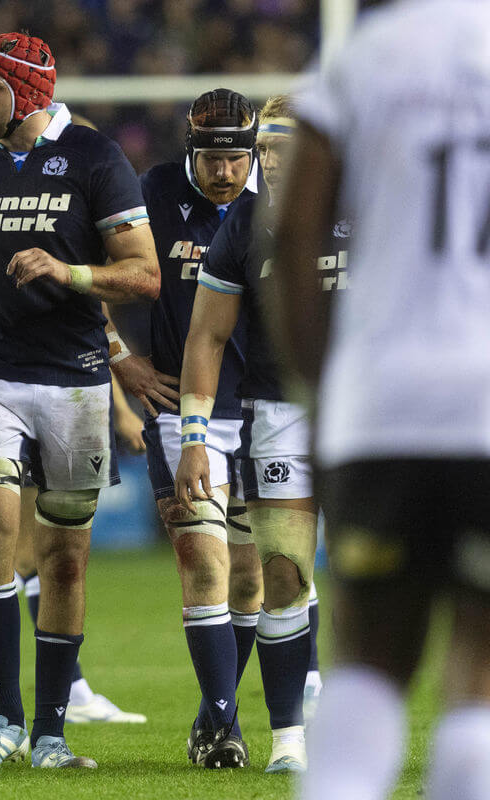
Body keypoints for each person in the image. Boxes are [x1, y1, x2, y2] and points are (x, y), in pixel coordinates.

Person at [0, 32, 159, 770]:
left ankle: (52, 734)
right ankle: (4, 723)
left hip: (76, 376)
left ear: (28, 92)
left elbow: (144, 275)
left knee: (64, 561)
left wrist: (70, 272)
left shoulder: (94, 158)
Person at [271, 4, 490, 798]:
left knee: (368, 663)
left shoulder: (362, 59)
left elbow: (297, 234)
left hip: (384, 406)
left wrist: (321, 390)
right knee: (482, 668)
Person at [174, 94, 349, 773]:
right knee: (285, 569)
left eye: (286, 148)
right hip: (281, 413)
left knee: (385, 571)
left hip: (366, 413)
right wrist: (194, 432)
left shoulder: (371, 209)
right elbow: (207, 334)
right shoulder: (245, 224)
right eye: (265, 151)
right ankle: (289, 740)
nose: (272, 163)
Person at [109, 88, 264, 768]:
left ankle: (210, 715)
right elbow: (93, 273)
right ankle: (228, 730)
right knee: (204, 559)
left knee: (253, 580)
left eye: (236, 159)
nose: (224, 172)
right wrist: (123, 360)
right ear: (190, 150)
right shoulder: (152, 192)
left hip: (265, 410)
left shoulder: (277, 203)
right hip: (183, 407)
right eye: (212, 160)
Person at [0, 402, 150, 728]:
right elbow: (102, 349)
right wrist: (124, 411)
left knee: (37, 554)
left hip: (28, 401)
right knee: (27, 555)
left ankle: (74, 691)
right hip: (25, 403)